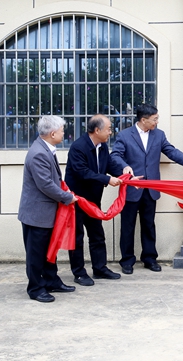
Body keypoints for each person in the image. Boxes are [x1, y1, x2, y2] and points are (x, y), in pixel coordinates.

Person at [111, 104, 183, 274]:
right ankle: (127, 261)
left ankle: (150, 258)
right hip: (132, 188)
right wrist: (125, 166)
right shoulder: (124, 135)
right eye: (155, 119)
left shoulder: (159, 134)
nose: (157, 122)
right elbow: (115, 155)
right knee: (127, 226)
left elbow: (170, 150)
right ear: (143, 120)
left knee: (149, 225)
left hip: (151, 189)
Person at [18, 115, 77, 303]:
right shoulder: (39, 154)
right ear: (52, 133)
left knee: (49, 251)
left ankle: (51, 281)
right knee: (36, 255)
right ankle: (35, 288)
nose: (63, 134)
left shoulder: (45, 149)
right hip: (37, 215)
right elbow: (46, 185)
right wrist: (67, 197)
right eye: (62, 131)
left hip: (46, 214)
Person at [65, 114, 124, 286]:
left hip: (93, 200)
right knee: (77, 237)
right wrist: (107, 179)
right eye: (109, 129)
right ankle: (79, 273)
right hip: (76, 200)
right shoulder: (78, 147)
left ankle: (100, 268)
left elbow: (109, 165)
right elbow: (83, 173)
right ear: (97, 130)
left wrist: (125, 176)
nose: (111, 132)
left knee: (97, 235)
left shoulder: (102, 146)